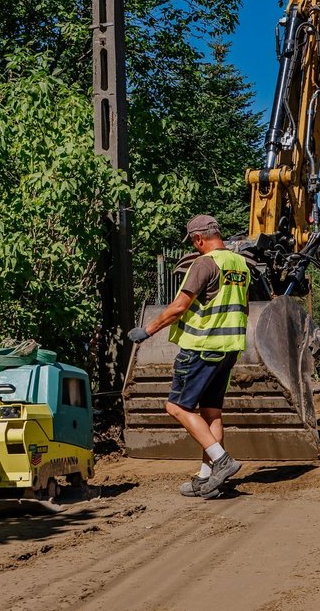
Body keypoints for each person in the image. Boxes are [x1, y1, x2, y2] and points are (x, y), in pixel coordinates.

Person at [128, 214, 250, 499]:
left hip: (201, 347)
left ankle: (222, 461)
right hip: (229, 348)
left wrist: (147, 330)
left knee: (176, 408)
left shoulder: (204, 263)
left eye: (194, 243)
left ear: (199, 239)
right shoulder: (239, 264)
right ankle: (207, 479)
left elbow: (179, 307)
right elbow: (242, 308)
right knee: (211, 412)